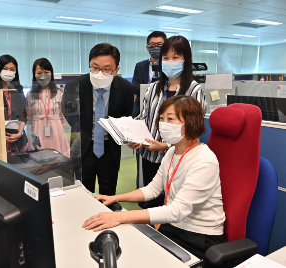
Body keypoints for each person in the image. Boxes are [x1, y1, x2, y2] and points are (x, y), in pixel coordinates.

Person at [83, 96, 225, 267]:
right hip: (172, 226)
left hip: (199, 237)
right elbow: (152, 190)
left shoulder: (204, 160)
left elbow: (177, 211)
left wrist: (122, 216)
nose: (163, 124)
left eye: (171, 119)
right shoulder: (173, 152)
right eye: (162, 118)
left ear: (190, 122)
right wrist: (114, 198)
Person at [131, 35, 206, 209]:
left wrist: (164, 145)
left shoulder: (193, 90)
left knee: (172, 205)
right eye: (166, 58)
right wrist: (133, 136)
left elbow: (194, 130)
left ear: (185, 60)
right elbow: (143, 117)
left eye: (175, 57)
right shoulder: (153, 88)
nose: (169, 62)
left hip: (178, 159)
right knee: (149, 203)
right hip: (150, 156)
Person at [65, 43, 134, 196]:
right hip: (84, 147)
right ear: (89, 65)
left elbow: (125, 117)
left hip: (110, 148)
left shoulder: (126, 89)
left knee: (108, 193)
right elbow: (69, 115)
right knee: (83, 192)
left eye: (107, 69)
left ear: (116, 70)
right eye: (95, 67)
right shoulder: (74, 86)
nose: (100, 73)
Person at [26, 58, 70, 157]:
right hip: (37, 129)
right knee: (38, 158)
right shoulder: (30, 95)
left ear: (51, 73)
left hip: (56, 130)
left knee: (57, 158)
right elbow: (29, 116)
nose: (43, 75)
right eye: (39, 72)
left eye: (46, 72)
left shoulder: (60, 93)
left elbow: (62, 115)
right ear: (34, 74)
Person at [132, 31, 167, 118]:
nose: (156, 47)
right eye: (152, 44)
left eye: (159, 44)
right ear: (147, 48)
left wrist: (146, 88)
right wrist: (155, 89)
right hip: (142, 107)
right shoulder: (140, 66)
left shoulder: (170, 65)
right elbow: (135, 86)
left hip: (164, 108)